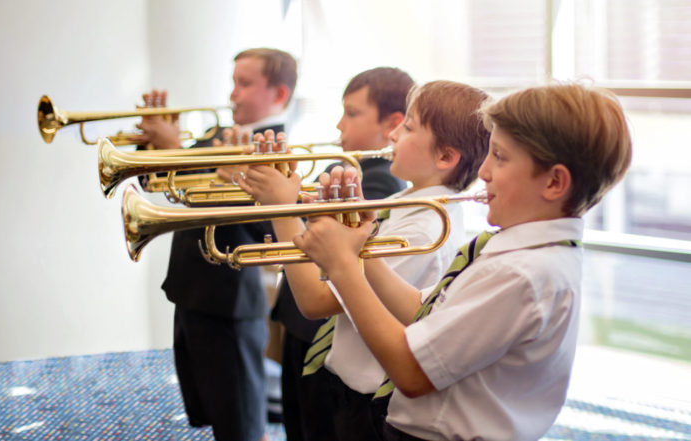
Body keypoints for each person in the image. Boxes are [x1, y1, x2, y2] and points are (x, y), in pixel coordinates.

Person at [292, 83, 633, 441]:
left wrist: (344, 267)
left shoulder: (521, 273)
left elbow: (410, 372)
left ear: (554, 182)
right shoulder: (516, 249)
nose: (483, 171)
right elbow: (421, 311)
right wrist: (365, 243)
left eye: (499, 157)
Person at [240, 80, 491, 441]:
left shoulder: (425, 227)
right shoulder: (407, 204)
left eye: (408, 128)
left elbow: (315, 300)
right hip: (348, 384)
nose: (392, 135)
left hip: (368, 401)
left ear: (445, 157)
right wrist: (321, 218)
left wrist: (283, 209)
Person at [136, 48, 298, 441]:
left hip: (229, 301)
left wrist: (177, 151)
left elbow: (268, 230)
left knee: (240, 418)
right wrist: (153, 143)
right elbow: (161, 185)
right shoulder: (217, 135)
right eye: (233, 83)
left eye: (244, 84)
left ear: (278, 95)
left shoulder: (275, 149)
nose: (233, 94)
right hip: (189, 288)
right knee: (210, 406)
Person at [260, 67, 414, 441]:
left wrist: (284, 210)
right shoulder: (341, 169)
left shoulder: (376, 184)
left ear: (391, 123)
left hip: (324, 339)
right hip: (299, 325)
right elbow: (301, 239)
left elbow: (327, 275)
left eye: (352, 113)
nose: (339, 124)